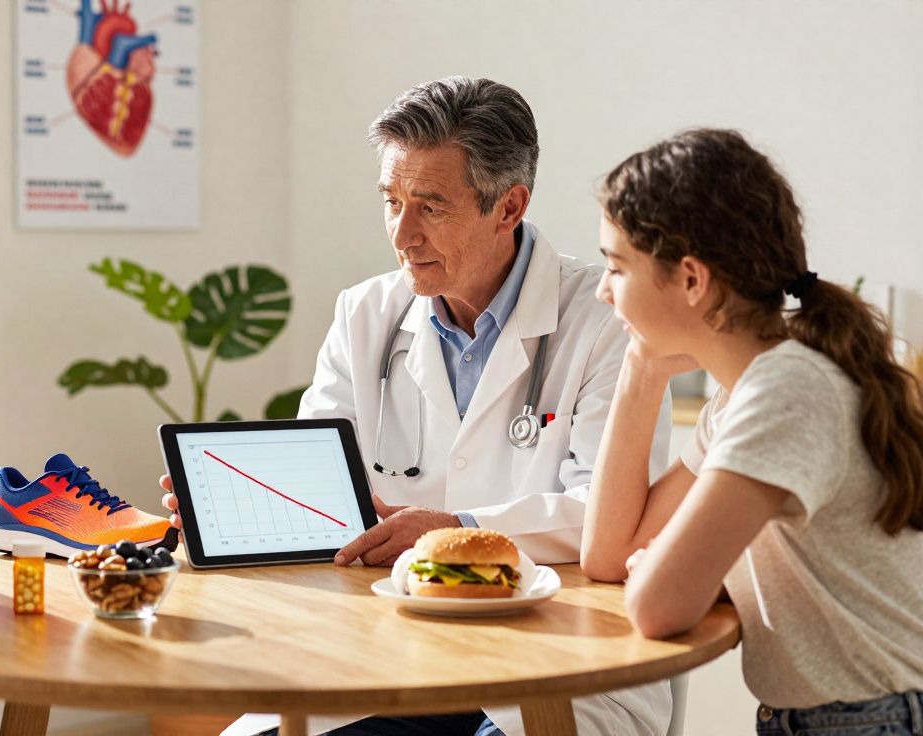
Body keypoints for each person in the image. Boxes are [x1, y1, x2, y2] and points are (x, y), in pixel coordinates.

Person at [162, 76, 674, 736]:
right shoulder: (366, 314)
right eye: (391, 201)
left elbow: (609, 516)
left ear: (509, 206)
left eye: (430, 207)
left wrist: (456, 526)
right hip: (387, 652)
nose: (402, 234)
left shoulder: (605, 322)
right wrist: (237, 507)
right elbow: (323, 482)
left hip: (549, 655)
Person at [581, 128, 923, 734]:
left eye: (616, 267)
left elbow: (657, 606)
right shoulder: (745, 394)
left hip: (872, 720)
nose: (604, 290)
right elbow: (608, 556)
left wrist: (671, 567)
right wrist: (640, 372)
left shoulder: (785, 392)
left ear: (692, 279)